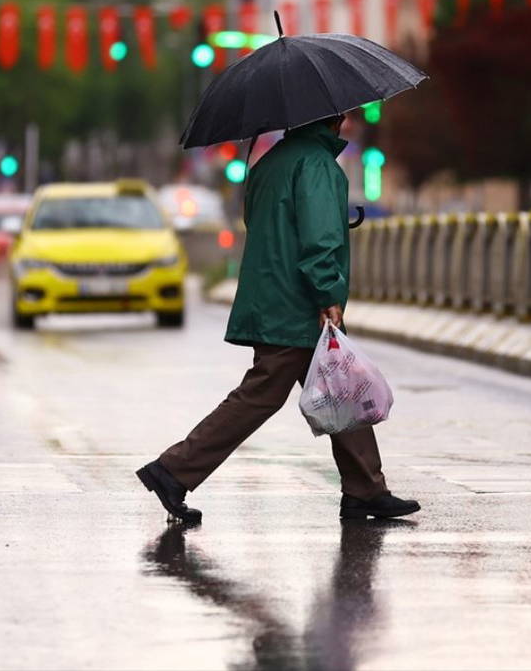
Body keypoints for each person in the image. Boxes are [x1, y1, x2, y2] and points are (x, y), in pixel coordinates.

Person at [137, 113, 421, 524]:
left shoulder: (270, 162)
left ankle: (366, 489)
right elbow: (319, 238)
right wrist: (328, 293)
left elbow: (265, 223)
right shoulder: (318, 165)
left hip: (272, 294)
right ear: (336, 120)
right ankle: (173, 470)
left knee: (341, 386)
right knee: (263, 394)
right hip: (297, 303)